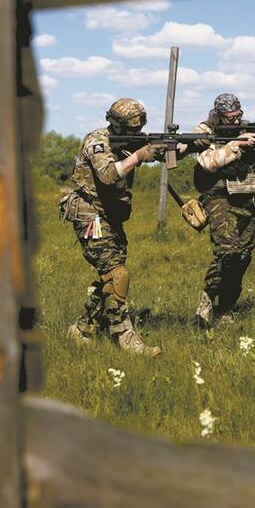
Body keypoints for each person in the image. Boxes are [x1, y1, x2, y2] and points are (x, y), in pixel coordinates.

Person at [59, 98, 162, 356]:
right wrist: (140, 155)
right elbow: (107, 174)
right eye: (131, 130)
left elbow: (153, 152)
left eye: (139, 130)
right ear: (116, 124)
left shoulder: (128, 141)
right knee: (117, 274)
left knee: (108, 274)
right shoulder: (98, 141)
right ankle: (124, 336)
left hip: (109, 215)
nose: (136, 135)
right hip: (89, 214)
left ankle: (82, 330)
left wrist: (180, 147)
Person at [187, 93, 255, 328]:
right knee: (227, 252)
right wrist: (237, 144)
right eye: (231, 118)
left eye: (239, 116)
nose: (237, 122)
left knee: (243, 255)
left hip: (246, 198)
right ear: (219, 115)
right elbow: (208, 163)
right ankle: (207, 301)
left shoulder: (247, 129)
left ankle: (226, 307)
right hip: (218, 197)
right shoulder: (205, 131)